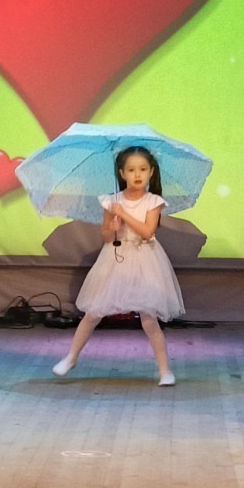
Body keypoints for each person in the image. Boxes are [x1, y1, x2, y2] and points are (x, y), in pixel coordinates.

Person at [52, 146, 183, 386]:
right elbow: (106, 236)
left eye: (142, 169)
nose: (137, 174)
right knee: (93, 313)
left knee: (149, 318)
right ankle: (71, 357)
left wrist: (125, 215)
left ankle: (165, 371)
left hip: (145, 258)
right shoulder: (112, 202)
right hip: (115, 257)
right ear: (122, 173)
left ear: (151, 172)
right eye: (131, 170)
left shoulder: (153, 201)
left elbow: (147, 232)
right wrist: (112, 228)